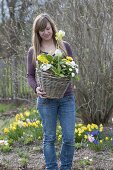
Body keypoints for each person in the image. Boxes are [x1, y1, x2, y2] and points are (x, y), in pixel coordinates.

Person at [27, 13, 76, 170]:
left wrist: (70, 80)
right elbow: (29, 75)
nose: (46, 32)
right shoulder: (33, 52)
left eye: (47, 28)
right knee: (49, 138)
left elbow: (72, 68)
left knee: (69, 137)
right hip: (46, 100)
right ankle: (51, 168)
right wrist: (36, 88)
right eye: (42, 30)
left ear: (52, 28)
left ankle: (66, 168)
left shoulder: (64, 46)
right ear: (37, 32)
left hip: (66, 98)